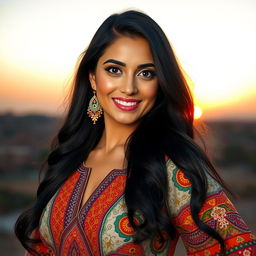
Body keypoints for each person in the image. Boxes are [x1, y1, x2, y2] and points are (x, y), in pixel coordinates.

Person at [15, 10, 256, 256]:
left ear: (160, 83)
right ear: (93, 78)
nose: (129, 88)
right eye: (114, 70)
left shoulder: (174, 167)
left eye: (146, 73)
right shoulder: (68, 157)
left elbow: (238, 249)